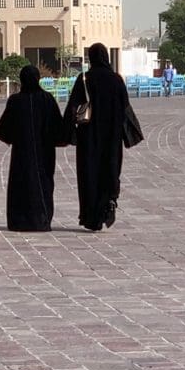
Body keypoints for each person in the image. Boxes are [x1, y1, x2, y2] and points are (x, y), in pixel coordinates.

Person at [64, 43, 141, 232]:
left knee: (89, 174)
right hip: (111, 136)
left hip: (88, 137)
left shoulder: (84, 79)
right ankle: (109, 203)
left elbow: (73, 108)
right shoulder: (116, 80)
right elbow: (125, 107)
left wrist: (66, 133)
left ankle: (92, 217)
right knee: (110, 169)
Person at [0, 65, 66, 232]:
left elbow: (2, 130)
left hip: (21, 154)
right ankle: (42, 219)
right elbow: (58, 127)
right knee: (43, 183)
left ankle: (20, 221)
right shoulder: (47, 99)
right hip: (44, 152)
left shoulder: (15, 101)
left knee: (22, 184)